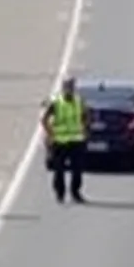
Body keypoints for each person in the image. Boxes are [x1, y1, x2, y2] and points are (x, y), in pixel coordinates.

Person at [42, 76, 90, 204]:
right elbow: (45, 119)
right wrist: (50, 134)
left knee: (77, 169)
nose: (69, 90)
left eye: (71, 87)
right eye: (67, 87)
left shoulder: (79, 102)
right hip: (59, 141)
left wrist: (85, 130)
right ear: (63, 88)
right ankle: (60, 193)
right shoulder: (56, 102)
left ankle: (75, 192)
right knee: (59, 169)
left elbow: (86, 116)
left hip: (76, 140)